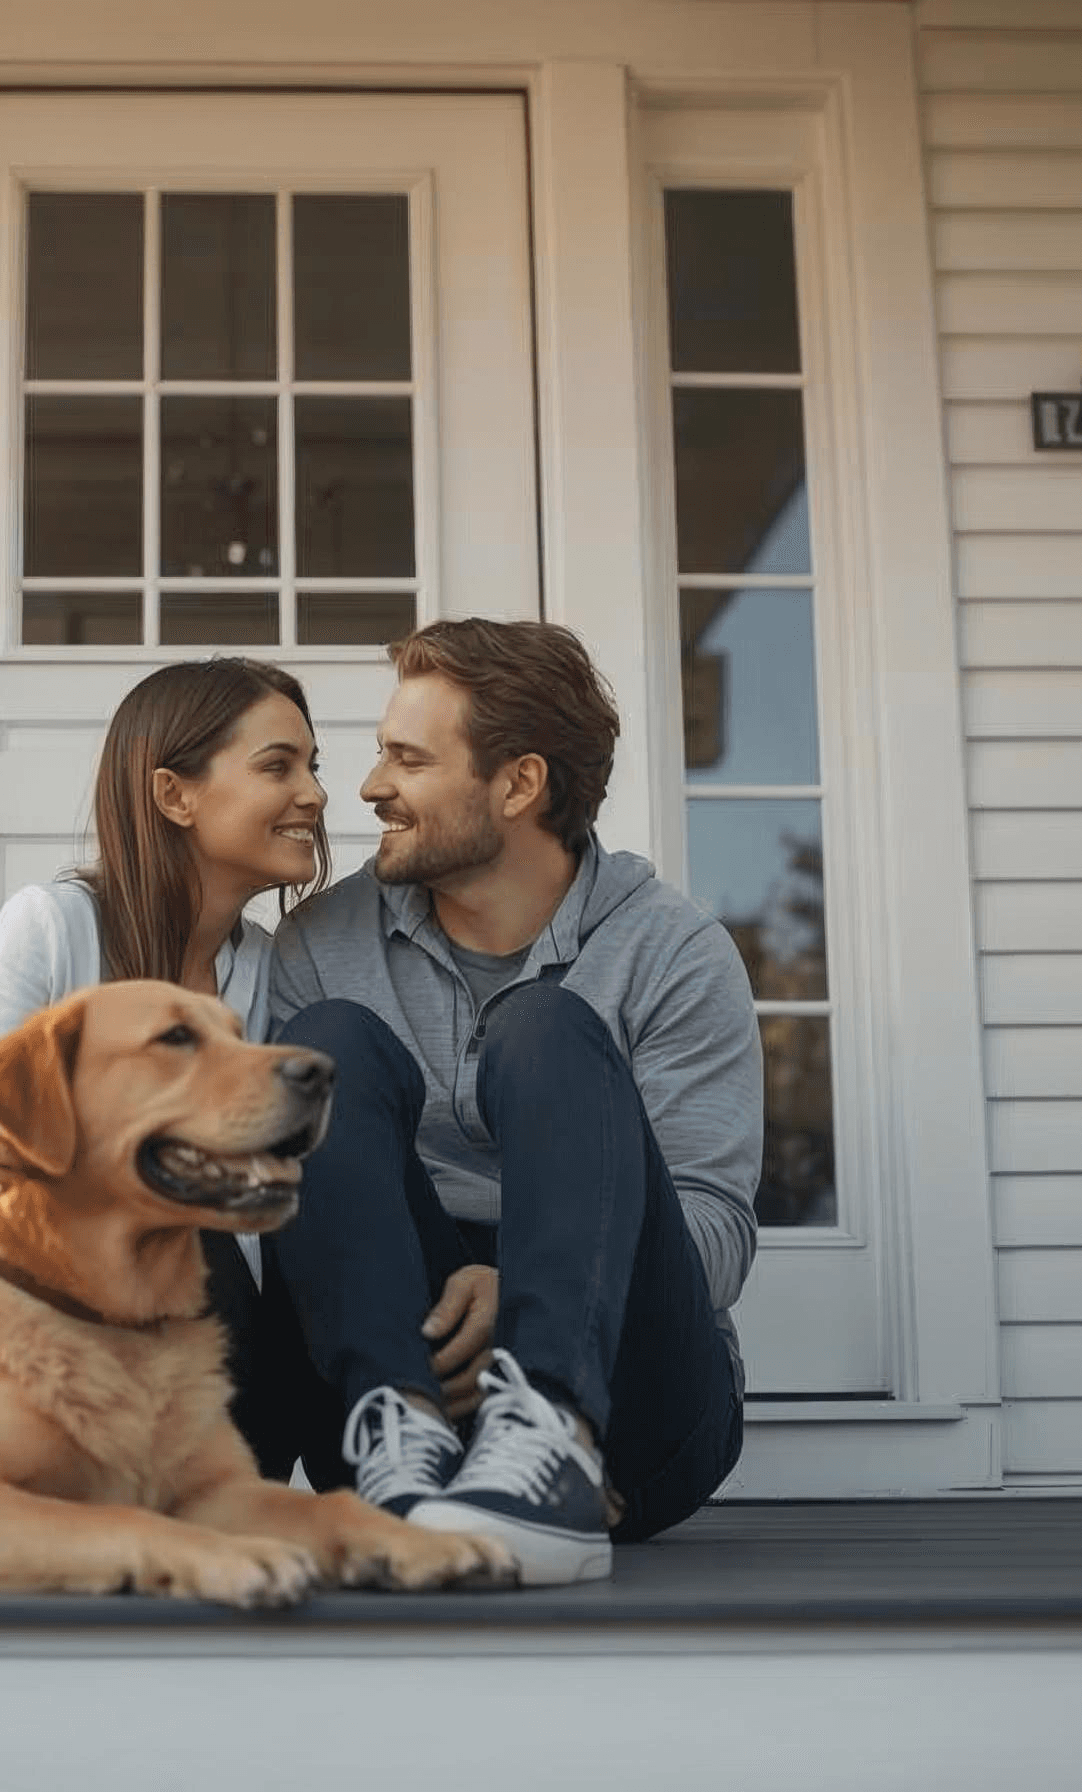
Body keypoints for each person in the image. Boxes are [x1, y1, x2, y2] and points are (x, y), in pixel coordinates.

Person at [248, 618, 758, 1585]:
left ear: (519, 784)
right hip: (411, 1364)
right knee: (328, 1046)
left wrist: (533, 1289)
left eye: (409, 760)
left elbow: (716, 1234)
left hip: (632, 1423)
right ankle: (399, 1456)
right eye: (380, 755)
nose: (369, 787)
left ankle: (552, 1440)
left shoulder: (672, 950)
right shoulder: (322, 943)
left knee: (547, 1027)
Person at [0, 657, 329, 1367]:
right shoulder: (56, 927)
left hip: (233, 1333)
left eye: (312, 767)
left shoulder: (275, 966)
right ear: (174, 795)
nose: (315, 794)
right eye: (278, 767)